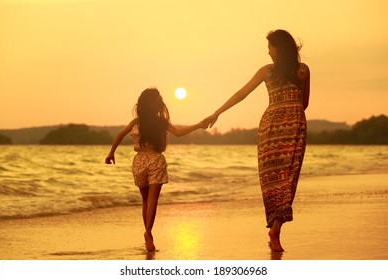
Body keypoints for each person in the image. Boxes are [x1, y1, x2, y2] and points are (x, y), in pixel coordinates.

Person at [203, 29, 310, 252]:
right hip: (295, 126)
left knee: (272, 180)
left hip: (271, 127)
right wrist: (291, 113)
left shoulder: (267, 72)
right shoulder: (303, 71)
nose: (268, 52)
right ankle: (276, 230)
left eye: (271, 47)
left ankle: (275, 229)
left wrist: (217, 112)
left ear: (280, 48)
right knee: (288, 180)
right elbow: (304, 102)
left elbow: (242, 93)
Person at [105, 88, 205, 252]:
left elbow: (119, 136)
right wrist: (199, 125)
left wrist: (111, 154)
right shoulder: (161, 122)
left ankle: (148, 235)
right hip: (156, 160)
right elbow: (179, 133)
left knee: (145, 201)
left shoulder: (136, 122)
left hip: (139, 161)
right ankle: (148, 232)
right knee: (153, 201)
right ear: (155, 105)